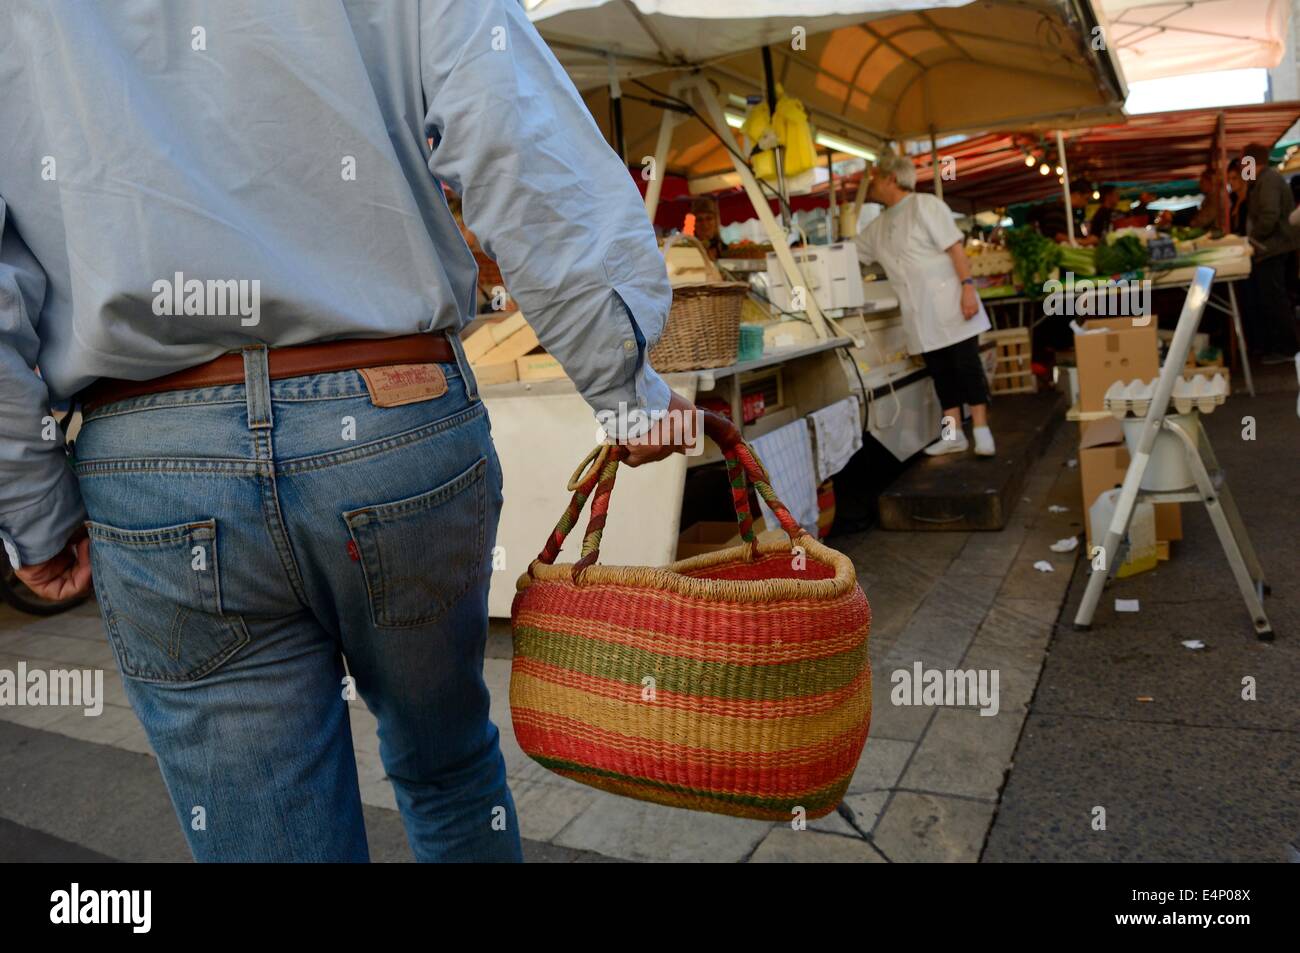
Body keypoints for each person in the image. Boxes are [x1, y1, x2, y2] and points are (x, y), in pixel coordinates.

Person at [0, 0, 696, 862]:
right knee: (448, 769)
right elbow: (507, 124)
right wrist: (622, 378)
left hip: (155, 451)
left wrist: (29, 503)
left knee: (267, 831)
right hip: (393, 415)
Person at [855, 154, 995, 457]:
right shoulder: (877, 226)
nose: (870, 183)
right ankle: (953, 434)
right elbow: (851, 253)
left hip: (950, 303)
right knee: (941, 373)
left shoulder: (926, 205)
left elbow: (955, 249)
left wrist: (968, 288)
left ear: (892, 178)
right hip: (918, 312)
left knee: (967, 366)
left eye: (876, 177)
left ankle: (982, 430)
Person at [1240, 143, 1300, 363]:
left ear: (1251, 162)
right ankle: (1282, 347)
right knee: (1271, 298)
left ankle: (1287, 349)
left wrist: (1252, 239)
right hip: (1268, 248)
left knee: (1275, 299)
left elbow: (1269, 216)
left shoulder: (1269, 180)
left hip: (1272, 248)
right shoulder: (1261, 181)